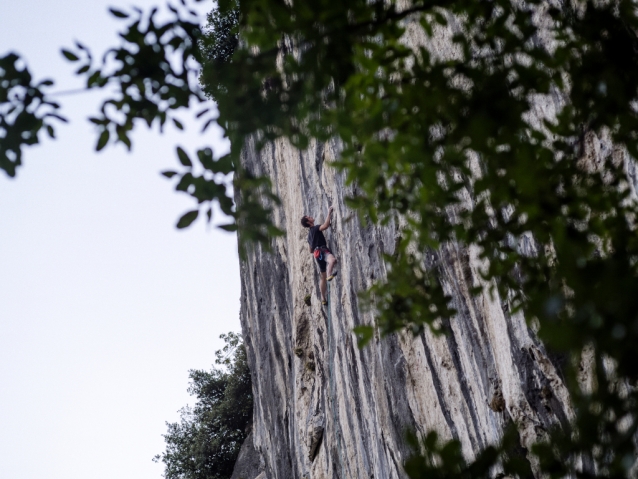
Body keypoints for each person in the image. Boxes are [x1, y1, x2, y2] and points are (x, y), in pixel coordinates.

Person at [301, 207, 338, 305]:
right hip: (322, 250)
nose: (311, 217)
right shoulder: (315, 228)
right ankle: (330, 274)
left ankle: (323, 298)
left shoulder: (309, 236)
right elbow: (325, 226)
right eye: (308, 217)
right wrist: (329, 212)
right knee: (332, 260)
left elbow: (310, 250)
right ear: (308, 222)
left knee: (322, 277)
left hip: (317, 255)